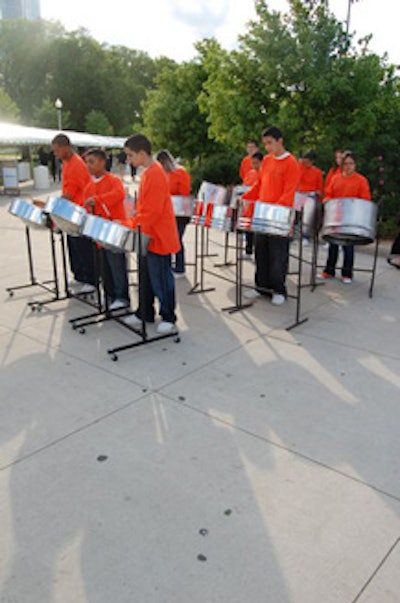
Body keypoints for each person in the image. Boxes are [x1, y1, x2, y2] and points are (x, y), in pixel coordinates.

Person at [122, 134, 180, 334]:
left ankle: (168, 316)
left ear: (142, 153)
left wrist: (135, 228)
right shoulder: (147, 172)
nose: (129, 160)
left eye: (130, 156)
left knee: (162, 279)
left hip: (158, 237)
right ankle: (144, 312)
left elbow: (152, 212)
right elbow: (143, 208)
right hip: (147, 236)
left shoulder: (155, 173)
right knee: (145, 278)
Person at [242, 126, 300, 305]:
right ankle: (261, 287)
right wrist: (245, 198)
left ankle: (279, 290)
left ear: (280, 141)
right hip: (262, 216)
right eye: (265, 144)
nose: (267, 147)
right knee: (261, 253)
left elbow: (289, 193)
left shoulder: (291, 163)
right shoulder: (266, 161)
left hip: (279, 217)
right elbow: (260, 185)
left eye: (270, 143)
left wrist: (272, 211)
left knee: (278, 255)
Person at [82, 148, 130, 311]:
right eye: (87, 162)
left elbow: (119, 194)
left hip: (113, 231)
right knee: (104, 267)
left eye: (92, 162)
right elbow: (85, 207)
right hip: (98, 233)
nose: (88, 166)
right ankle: (109, 295)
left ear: (102, 162)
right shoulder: (89, 186)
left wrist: (97, 199)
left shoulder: (113, 180)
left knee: (117, 265)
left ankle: (122, 297)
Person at [317, 151, 371, 283]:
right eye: (345, 164)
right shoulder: (336, 178)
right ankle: (329, 270)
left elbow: (365, 199)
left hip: (352, 218)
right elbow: (328, 194)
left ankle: (347, 273)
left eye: (351, 164)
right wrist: (328, 201)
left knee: (348, 246)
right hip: (336, 216)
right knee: (333, 244)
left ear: (355, 165)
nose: (348, 166)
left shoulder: (361, 180)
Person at [51, 133, 95, 294]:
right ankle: (79, 275)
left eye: (57, 150)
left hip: (79, 211)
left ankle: (90, 279)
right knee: (73, 246)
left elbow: (70, 193)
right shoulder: (66, 162)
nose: (55, 154)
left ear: (66, 147)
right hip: (71, 212)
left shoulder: (76, 164)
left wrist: (53, 205)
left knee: (83, 248)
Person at [156, 149, 191, 277]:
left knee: (177, 239)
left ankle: (180, 268)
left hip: (180, 212)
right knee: (168, 239)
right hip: (167, 212)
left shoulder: (180, 173)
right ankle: (169, 265)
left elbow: (185, 192)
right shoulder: (162, 174)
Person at [296, 151, 324, 245]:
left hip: (310, 195)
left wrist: (317, 194)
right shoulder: (299, 167)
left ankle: (305, 235)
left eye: (308, 161)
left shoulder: (317, 172)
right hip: (299, 194)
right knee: (293, 210)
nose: (306, 163)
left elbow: (319, 188)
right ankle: (293, 230)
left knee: (308, 213)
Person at [240, 141, 261, 258]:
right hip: (249, 205)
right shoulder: (250, 173)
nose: (253, 165)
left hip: (259, 206)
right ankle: (248, 250)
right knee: (248, 229)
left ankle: (258, 252)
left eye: (256, 163)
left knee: (258, 232)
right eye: (252, 163)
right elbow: (245, 186)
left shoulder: (264, 173)